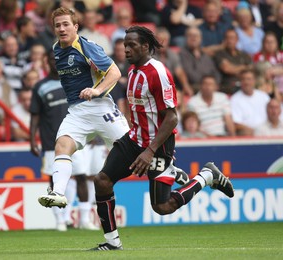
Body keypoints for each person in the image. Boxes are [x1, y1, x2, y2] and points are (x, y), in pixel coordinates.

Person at [90, 25, 234, 250]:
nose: (125, 50)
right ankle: (112, 242)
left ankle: (206, 176)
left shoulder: (158, 72)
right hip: (134, 139)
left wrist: (149, 152)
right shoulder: (133, 71)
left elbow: (172, 118)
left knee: (162, 207)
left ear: (145, 46)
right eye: (124, 45)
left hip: (158, 145)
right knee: (102, 181)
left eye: (131, 45)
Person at [37, 7, 130, 208]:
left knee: (134, 155)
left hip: (101, 108)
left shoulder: (86, 46)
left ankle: (172, 172)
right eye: (57, 25)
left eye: (66, 24)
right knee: (62, 145)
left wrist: (97, 90)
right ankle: (58, 193)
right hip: (77, 112)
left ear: (75, 27)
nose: (62, 28)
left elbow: (114, 72)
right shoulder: (56, 49)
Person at [30, 51, 97, 231]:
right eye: (50, 59)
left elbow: (87, 108)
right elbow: (35, 116)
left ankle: (84, 219)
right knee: (55, 180)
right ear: (46, 62)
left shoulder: (73, 81)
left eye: (56, 59)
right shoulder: (40, 87)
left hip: (76, 139)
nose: (54, 62)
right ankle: (60, 220)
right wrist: (32, 140)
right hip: (51, 142)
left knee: (82, 176)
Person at [230, 69, 270, 136]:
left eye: (249, 79)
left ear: (254, 81)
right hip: (248, 134)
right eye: (243, 79)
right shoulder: (234, 99)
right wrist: (256, 132)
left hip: (267, 131)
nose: (246, 82)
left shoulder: (264, 96)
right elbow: (236, 124)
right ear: (240, 82)